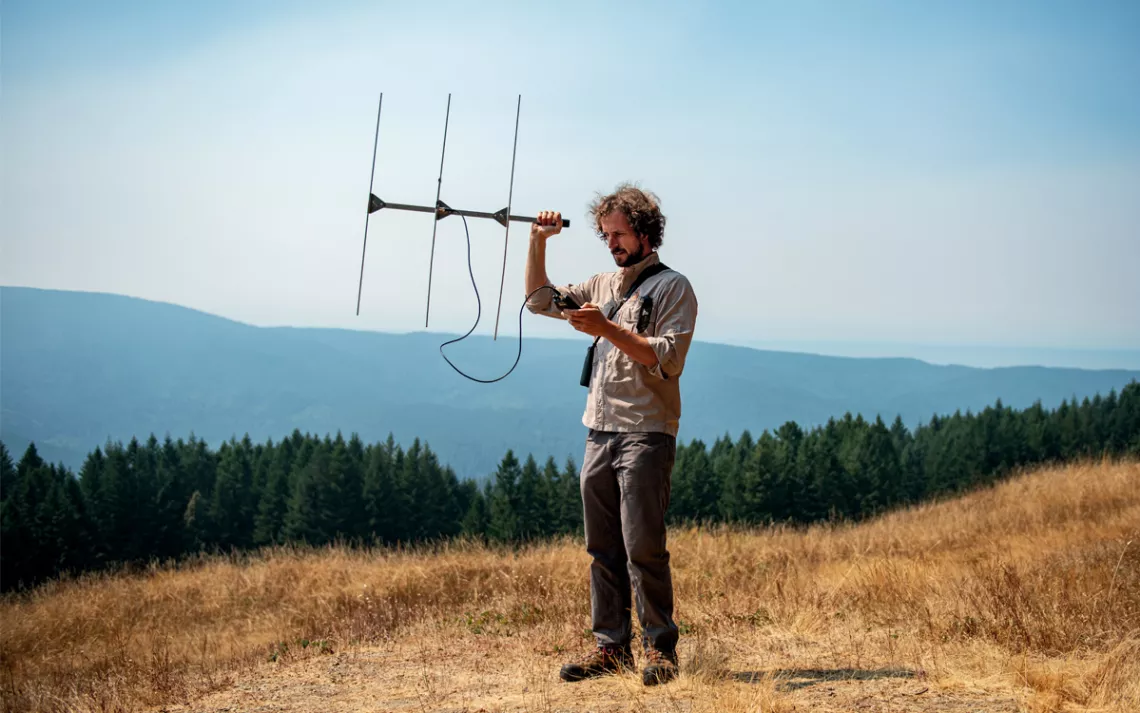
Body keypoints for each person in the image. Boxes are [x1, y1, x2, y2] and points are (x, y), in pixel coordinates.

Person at [524, 183, 698, 686]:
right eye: (605, 235)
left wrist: (606, 329)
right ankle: (611, 647)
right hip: (598, 431)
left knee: (643, 545)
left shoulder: (673, 287)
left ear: (645, 231)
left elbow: (665, 358)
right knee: (602, 547)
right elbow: (539, 301)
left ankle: (660, 651)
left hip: (646, 431)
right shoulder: (602, 283)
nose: (612, 243)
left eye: (619, 233)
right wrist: (538, 241)